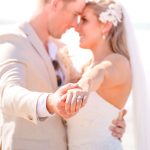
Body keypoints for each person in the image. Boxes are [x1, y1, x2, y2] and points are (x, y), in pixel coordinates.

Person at [0, 0, 126, 149]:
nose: (75, 25)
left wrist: (106, 122)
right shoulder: (13, 41)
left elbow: (83, 96)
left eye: (82, 19)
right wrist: (49, 102)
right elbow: (7, 94)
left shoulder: (60, 48)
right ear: (55, 4)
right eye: (75, 15)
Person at [63, 0, 133, 149]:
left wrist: (83, 87)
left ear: (106, 25)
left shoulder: (118, 62)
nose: (76, 27)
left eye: (84, 20)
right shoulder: (85, 67)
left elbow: (100, 73)